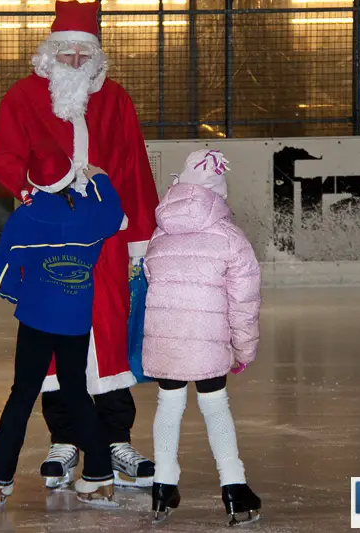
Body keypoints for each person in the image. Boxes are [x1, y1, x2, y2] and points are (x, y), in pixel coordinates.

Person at [0, 0, 158, 489]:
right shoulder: (22, 98)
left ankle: (116, 439)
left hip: (107, 239)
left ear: (97, 59)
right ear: (48, 55)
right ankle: (64, 440)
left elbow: (135, 170)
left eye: (85, 56)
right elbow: (2, 154)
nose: (76, 65)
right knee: (54, 340)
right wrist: (33, 198)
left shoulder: (116, 100)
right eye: (67, 55)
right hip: (50, 241)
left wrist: (138, 242)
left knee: (108, 335)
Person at [0, 138, 126, 509]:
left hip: (35, 321)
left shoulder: (23, 219)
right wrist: (100, 180)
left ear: (33, 183)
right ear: (69, 177)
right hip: (75, 322)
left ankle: (0, 479)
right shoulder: (89, 214)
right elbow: (114, 215)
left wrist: (25, 296)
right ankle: (100, 475)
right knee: (77, 391)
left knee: (21, 396)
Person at [141, 149, 263, 525]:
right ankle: (234, 489)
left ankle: (162, 485)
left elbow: (150, 280)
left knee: (169, 405)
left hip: (166, 341)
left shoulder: (159, 235)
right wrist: (242, 351)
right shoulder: (230, 239)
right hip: (208, 343)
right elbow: (244, 303)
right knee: (215, 407)